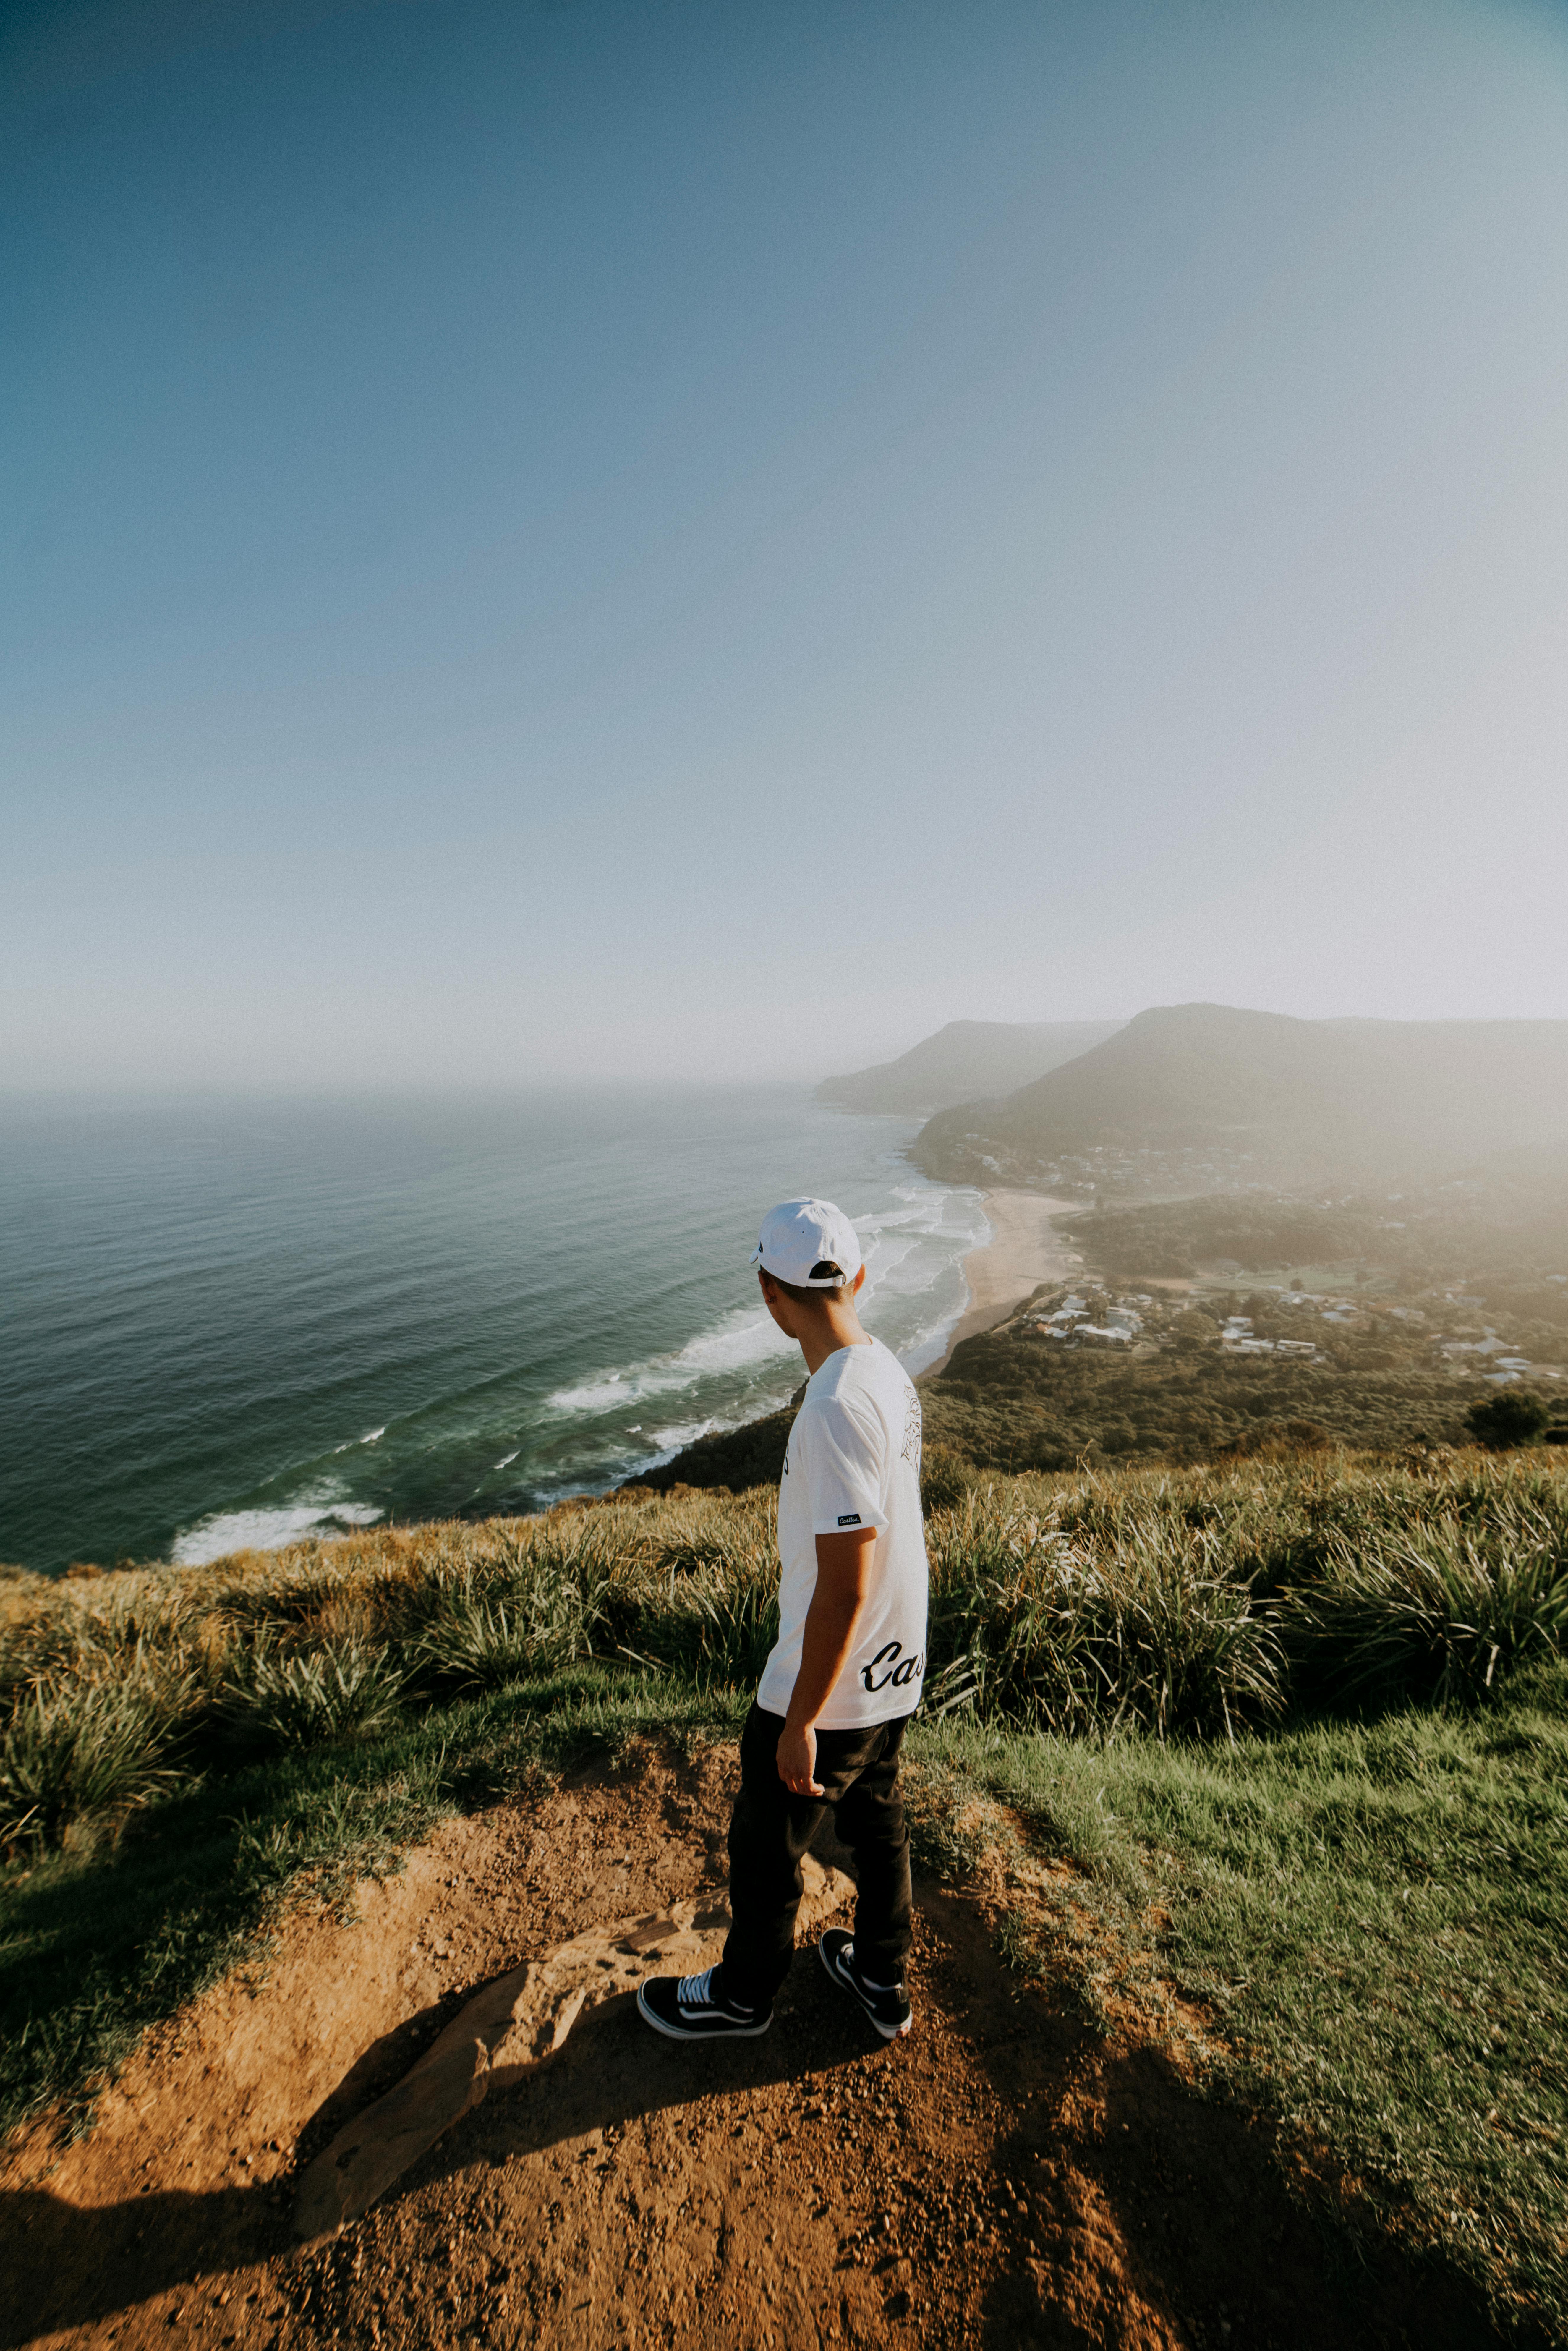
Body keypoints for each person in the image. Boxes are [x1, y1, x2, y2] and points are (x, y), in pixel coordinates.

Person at [637, 1196, 928, 2045]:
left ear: (770, 1293)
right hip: (894, 1658)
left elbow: (843, 1584)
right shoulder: (884, 1368)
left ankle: (743, 1995)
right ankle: (880, 1974)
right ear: (859, 1277)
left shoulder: (834, 1405)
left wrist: (799, 1720)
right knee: (877, 1816)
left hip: (832, 1673)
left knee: (765, 1845)